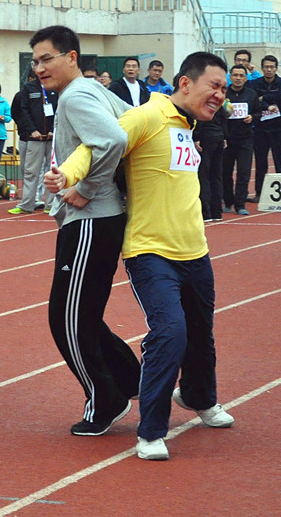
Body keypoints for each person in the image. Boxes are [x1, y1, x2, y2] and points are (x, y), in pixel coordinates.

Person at [50, 51, 236, 461]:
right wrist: (69, 175)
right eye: (214, 86)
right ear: (185, 83)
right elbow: (96, 145)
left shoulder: (188, 124)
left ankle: (200, 396)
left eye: (224, 89)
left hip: (195, 251)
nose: (220, 95)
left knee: (200, 334)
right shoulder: (148, 116)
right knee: (170, 333)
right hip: (151, 251)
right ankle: (151, 432)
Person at [33, 25, 140, 437]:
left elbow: (114, 138)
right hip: (102, 220)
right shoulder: (95, 90)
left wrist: (86, 188)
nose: (40, 68)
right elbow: (129, 121)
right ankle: (132, 380)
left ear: (71, 57)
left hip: (92, 220)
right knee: (85, 315)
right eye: (35, 62)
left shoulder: (75, 96)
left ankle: (106, 398)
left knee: (67, 319)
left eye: (47, 59)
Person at [8, 70, 57, 214]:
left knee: (52, 171)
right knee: (31, 172)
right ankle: (27, 204)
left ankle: (51, 205)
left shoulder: (55, 86)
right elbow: (23, 111)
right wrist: (32, 130)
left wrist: (53, 129)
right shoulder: (28, 88)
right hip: (34, 138)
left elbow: (59, 109)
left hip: (52, 138)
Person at [222, 64, 261, 215]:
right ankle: (228, 201)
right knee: (225, 173)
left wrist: (252, 117)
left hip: (245, 139)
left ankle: (240, 204)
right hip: (227, 139)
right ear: (230, 77)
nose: (238, 78)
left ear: (245, 78)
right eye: (235, 75)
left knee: (243, 173)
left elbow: (258, 112)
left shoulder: (251, 94)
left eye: (241, 76)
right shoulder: (223, 94)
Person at [248, 55, 281, 201]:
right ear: (262, 68)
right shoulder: (255, 84)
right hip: (260, 129)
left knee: (279, 162)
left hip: (278, 129)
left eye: (272, 67)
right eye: (266, 67)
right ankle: (259, 193)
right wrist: (268, 104)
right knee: (260, 162)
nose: (269, 70)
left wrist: (263, 98)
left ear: (276, 68)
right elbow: (253, 101)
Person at [193, 98, 228, 222]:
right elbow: (224, 119)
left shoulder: (201, 101)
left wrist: (196, 137)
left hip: (206, 138)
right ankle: (217, 212)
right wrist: (224, 136)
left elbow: (200, 119)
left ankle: (206, 212)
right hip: (218, 137)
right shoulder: (217, 102)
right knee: (216, 175)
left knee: (204, 176)